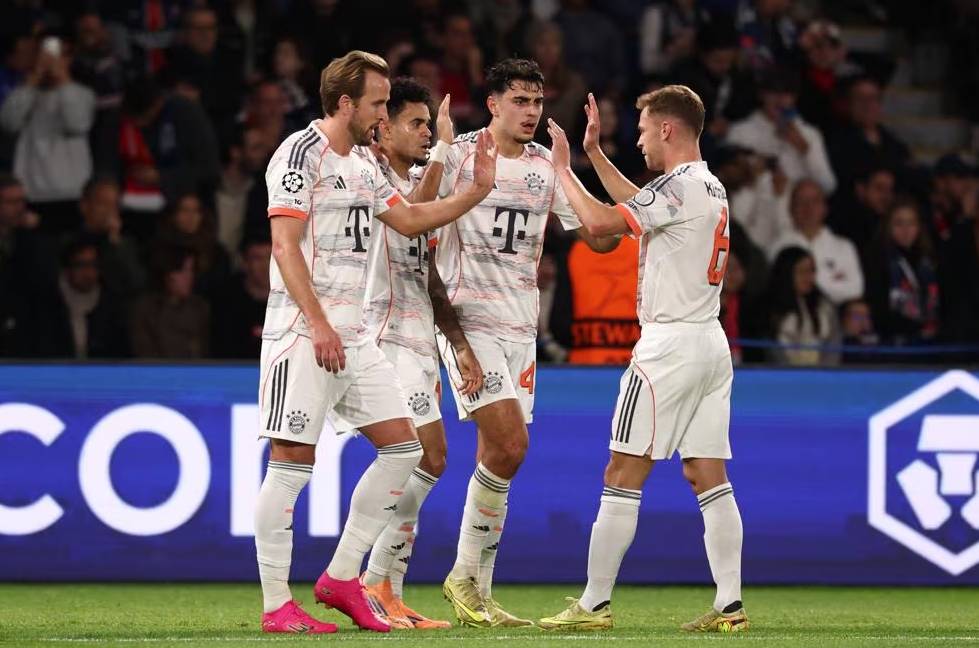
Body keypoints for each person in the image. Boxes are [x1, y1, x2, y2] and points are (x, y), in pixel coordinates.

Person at [253, 50, 497, 635]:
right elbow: (284, 246)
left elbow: (410, 220)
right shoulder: (299, 153)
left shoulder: (363, 165)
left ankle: (341, 579)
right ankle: (276, 605)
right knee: (291, 462)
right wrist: (318, 323)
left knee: (405, 450)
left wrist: (476, 191)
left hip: (354, 335)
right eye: (378, 104)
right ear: (346, 104)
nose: (384, 115)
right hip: (302, 332)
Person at [540, 84, 747, 632]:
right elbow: (642, 206)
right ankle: (730, 605)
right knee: (707, 473)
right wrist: (594, 155)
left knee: (622, 471)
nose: (639, 140)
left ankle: (593, 605)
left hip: (668, 348)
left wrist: (563, 170)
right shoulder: (707, 185)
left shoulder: (678, 186)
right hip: (709, 344)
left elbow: (603, 224)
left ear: (666, 129)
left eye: (642, 130)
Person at [433, 58, 618, 628]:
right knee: (511, 446)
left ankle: (480, 592)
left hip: (521, 329)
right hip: (469, 322)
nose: (532, 111)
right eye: (520, 100)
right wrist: (436, 150)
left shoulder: (544, 164)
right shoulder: (461, 156)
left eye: (537, 101)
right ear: (492, 104)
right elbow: (416, 217)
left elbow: (601, 240)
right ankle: (461, 574)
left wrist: (573, 166)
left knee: (499, 458)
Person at [353, 79, 479, 631]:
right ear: (382, 130)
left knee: (426, 461)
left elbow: (428, 275)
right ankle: (372, 580)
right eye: (417, 123)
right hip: (382, 334)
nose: (428, 133)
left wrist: (458, 343)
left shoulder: (409, 183)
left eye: (432, 124)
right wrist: (448, 150)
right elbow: (415, 213)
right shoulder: (369, 175)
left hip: (419, 338)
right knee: (424, 457)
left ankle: (391, 590)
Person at [0, 35, 96, 232]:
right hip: (31, 191)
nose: (50, 62)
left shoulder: (82, 94)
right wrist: (30, 84)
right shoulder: (22, 93)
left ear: (68, 59)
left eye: (58, 56)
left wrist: (63, 79)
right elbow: (9, 123)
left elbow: (77, 124)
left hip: (72, 191)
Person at [726, 67, 836, 195]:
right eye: (774, 92)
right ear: (761, 94)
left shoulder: (809, 134)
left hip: (798, 206)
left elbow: (827, 186)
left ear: (794, 98)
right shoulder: (739, 132)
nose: (780, 99)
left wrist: (804, 148)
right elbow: (728, 185)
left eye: (787, 93)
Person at [771, 179, 863, 305]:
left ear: (825, 208)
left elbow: (855, 290)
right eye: (801, 201)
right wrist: (831, 281)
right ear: (791, 209)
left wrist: (805, 281)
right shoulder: (778, 246)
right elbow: (779, 289)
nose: (808, 208)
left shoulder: (844, 246)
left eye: (815, 201)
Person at [862, 199, 940, 347]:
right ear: (888, 226)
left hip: (930, 343)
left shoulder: (930, 260)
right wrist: (916, 327)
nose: (906, 230)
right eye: (899, 223)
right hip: (892, 345)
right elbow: (878, 310)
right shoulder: (877, 260)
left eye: (911, 223)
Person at [129, 245, 210, 359]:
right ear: (166, 274)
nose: (189, 276)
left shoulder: (199, 308)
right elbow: (145, 354)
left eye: (191, 270)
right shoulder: (145, 309)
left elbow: (204, 353)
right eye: (182, 271)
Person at [766, 246, 840, 366]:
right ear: (786, 273)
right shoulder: (768, 309)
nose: (808, 277)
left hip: (821, 373)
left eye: (811, 271)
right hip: (782, 374)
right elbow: (771, 350)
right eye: (801, 271)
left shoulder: (824, 306)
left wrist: (822, 372)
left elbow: (833, 345)